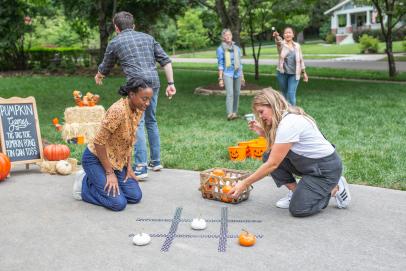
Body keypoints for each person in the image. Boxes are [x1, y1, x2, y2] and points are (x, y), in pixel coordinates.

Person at [229, 89, 351, 217]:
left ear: (272, 105)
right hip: (310, 165)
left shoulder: (289, 124)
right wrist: (263, 133)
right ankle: (296, 192)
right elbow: (279, 148)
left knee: (298, 209)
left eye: (261, 112)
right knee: (268, 155)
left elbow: (273, 164)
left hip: (325, 170)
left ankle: (334, 188)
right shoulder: (285, 119)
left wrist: (244, 183)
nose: (260, 117)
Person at [94, 11, 176, 180]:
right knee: (151, 120)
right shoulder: (148, 38)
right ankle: (156, 160)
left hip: (137, 85)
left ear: (116, 28)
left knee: (137, 123)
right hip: (153, 83)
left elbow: (106, 65)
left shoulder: (115, 42)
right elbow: (166, 61)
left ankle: (140, 166)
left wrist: (99, 75)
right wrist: (171, 84)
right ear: (134, 25)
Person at [72, 78, 153, 211]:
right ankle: (84, 184)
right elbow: (98, 142)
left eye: (150, 99)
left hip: (117, 161)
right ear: (132, 95)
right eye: (144, 99)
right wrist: (109, 173)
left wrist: (128, 166)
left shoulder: (138, 109)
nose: (148, 103)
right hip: (95, 159)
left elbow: (129, 140)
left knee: (135, 196)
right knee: (118, 203)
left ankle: (100, 181)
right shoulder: (118, 111)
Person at [273, 27, 308, 106]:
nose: (287, 34)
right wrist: (276, 36)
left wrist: (304, 73)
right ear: (283, 35)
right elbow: (278, 42)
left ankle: (293, 113)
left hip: (294, 74)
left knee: (291, 94)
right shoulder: (282, 45)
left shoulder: (297, 46)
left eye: (289, 32)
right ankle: (285, 112)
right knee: (284, 94)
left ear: (293, 35)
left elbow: (301, 59)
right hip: (282, 73)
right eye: (285, 33)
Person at [216, 28, 245, 121]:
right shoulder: (220, 49)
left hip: (237, 73)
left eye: (230, 35)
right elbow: (220, 64)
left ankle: (235, 113)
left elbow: (240, 64)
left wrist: (242, 77)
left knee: (237, 93)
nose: (228, 36)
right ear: (223, 37)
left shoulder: (237, 48)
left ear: (232, 36)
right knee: (230, 94)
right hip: (227, 73)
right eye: (226, 35)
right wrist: (220, 78)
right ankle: (229, 114)